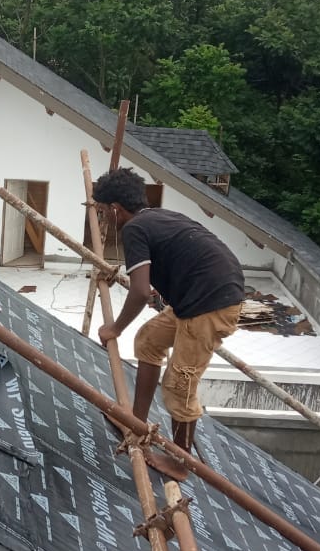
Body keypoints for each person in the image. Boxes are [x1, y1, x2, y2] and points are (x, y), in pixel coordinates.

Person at [94, 168, 245, 461]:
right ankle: (137, 423)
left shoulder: (134, 229)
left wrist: (114, 328)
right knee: (149, 339)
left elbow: (139, 292)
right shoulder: (158, 216)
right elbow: (179, 259)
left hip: (209, 305)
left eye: (102, 212)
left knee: (178, 386)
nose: (103, 219)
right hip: (206, 294)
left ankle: (182, 462)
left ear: (115, 209)